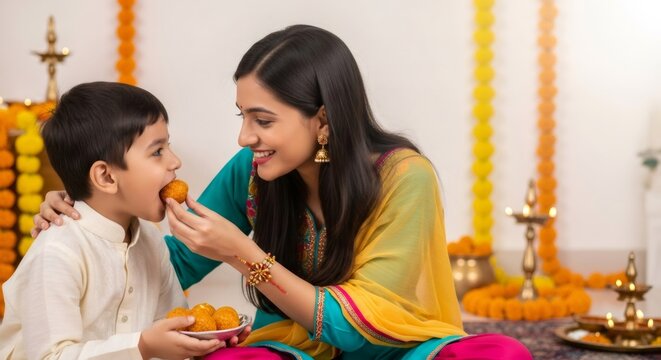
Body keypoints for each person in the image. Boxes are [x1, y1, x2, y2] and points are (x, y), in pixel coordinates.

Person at [33, 26, 532, 359]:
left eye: (262, 120)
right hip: (293, 350)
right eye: (242, 115)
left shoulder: (403, 178)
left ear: (322, 119)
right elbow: (171, 265)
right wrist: (88, 213)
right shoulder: (252, 170)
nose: (245, 137)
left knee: (503, 354)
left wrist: (242, 254)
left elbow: (355, 327)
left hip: (396, 350)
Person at [0, 82, 228, 359]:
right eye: (157, 152)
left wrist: (203, 340)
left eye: (169, 146)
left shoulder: (150, 239)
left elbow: (172, 322)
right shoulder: (57, 252)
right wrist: (142, 346)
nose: (175, 161)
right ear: (107, 177)